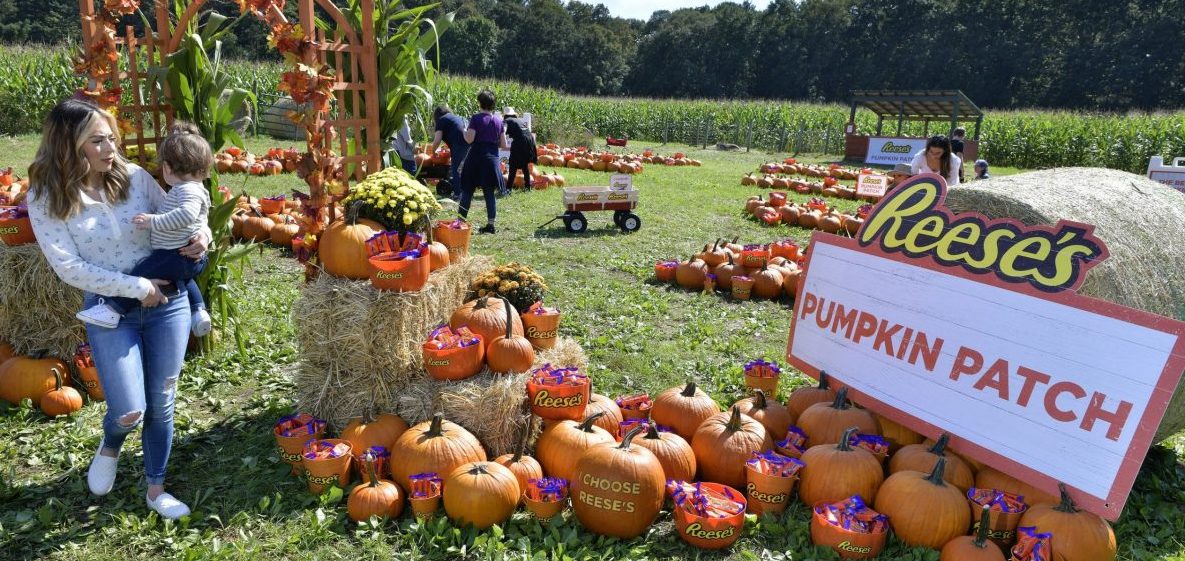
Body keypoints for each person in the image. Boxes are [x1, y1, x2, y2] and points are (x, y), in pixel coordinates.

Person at [27, 99, 210, 520]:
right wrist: (136, 286)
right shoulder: (46, 196)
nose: (111, 148)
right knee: (129, 410)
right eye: (97, 140)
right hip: (110, 310)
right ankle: (112, 443)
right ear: (69, 147)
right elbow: (67, 266)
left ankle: (155, 488)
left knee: (161, 402)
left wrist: (203, 236)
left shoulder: (134, 177)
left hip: (170, 304)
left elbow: (184, 212)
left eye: (111, 137)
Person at [74, 121, 212, 336]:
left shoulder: (187, 191)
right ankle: (198, 309)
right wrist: (204, 233)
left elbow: (187, 215)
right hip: (183, 255)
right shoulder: (193, 188)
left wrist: (152, 221)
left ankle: (114, 309)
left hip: (175, 254)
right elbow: (198, 217)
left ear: (166, 167)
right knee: (182, 276)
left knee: (143, 272)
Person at [460, 90, 508, 234]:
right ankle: (491, 224)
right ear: (493, 105)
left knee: (468, 190)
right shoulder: (499, 121)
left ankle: (460, 223)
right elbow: (504, 144)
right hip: (491, 160)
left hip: (475, 158)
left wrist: (463, 130)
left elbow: (469, 139)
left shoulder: (475, 118)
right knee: (489, 192)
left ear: (480, 103)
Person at [429, 104, 469, 200]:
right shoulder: (454, 117)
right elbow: (456, 131)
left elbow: (437, 140)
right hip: (468, 141)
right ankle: (465, 192)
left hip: (459, 144)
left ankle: (458, 194)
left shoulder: (441, 120)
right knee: (464, 168)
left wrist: (433, 151)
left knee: (456, 169)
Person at [503, 107, 537, 192]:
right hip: (529, 140)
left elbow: (503, 131)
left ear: (505, 116)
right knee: (524, 163)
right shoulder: (517, 120)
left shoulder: (508, 120)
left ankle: (508, 189)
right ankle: (527, 187)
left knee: (513, 163)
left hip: (521, 140)